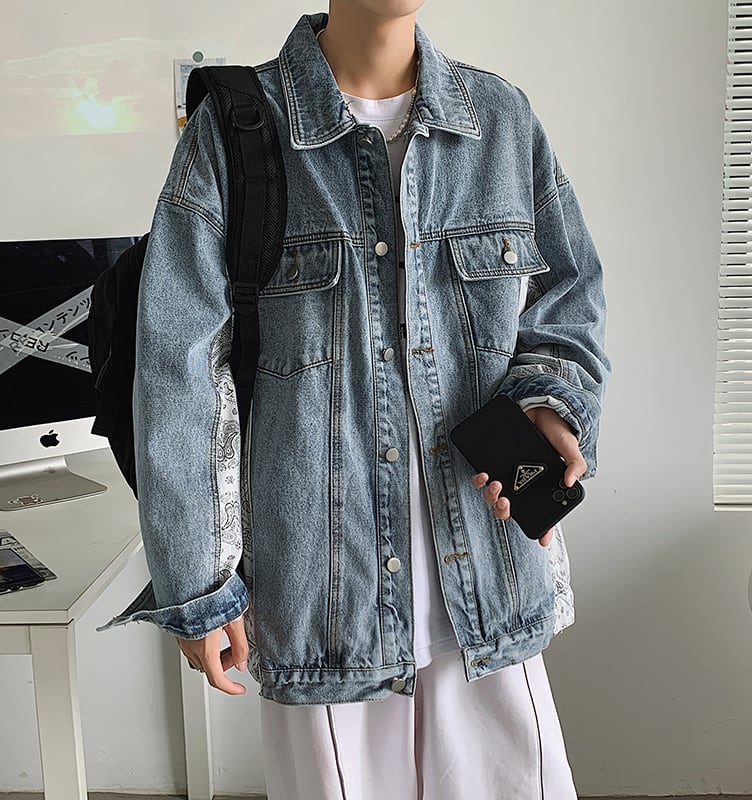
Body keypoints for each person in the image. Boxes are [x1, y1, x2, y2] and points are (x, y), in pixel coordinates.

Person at [99, 2, 610, 797]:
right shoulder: (237, 129)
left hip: (489, 576)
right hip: (325, 598)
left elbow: (566, 298)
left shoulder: (500, 120)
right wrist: (199, 582)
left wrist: (549, 401)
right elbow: (180, 369)